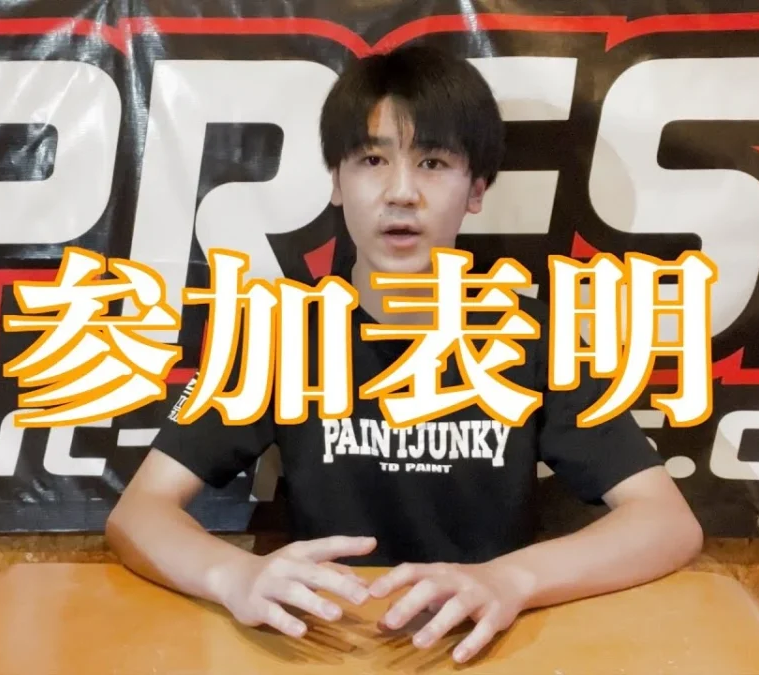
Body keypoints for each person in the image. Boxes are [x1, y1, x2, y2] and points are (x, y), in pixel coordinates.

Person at [106, 42, 703, 664]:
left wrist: (510, 581)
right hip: (327, 645)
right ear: (336, 182)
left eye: (433, 163)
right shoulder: (281, 334)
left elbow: (666, 521)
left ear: (476, 188)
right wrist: (235, 577)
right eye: (372, 159)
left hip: (484, 647)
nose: (401, 192)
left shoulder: (535, 337)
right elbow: (140, 512)